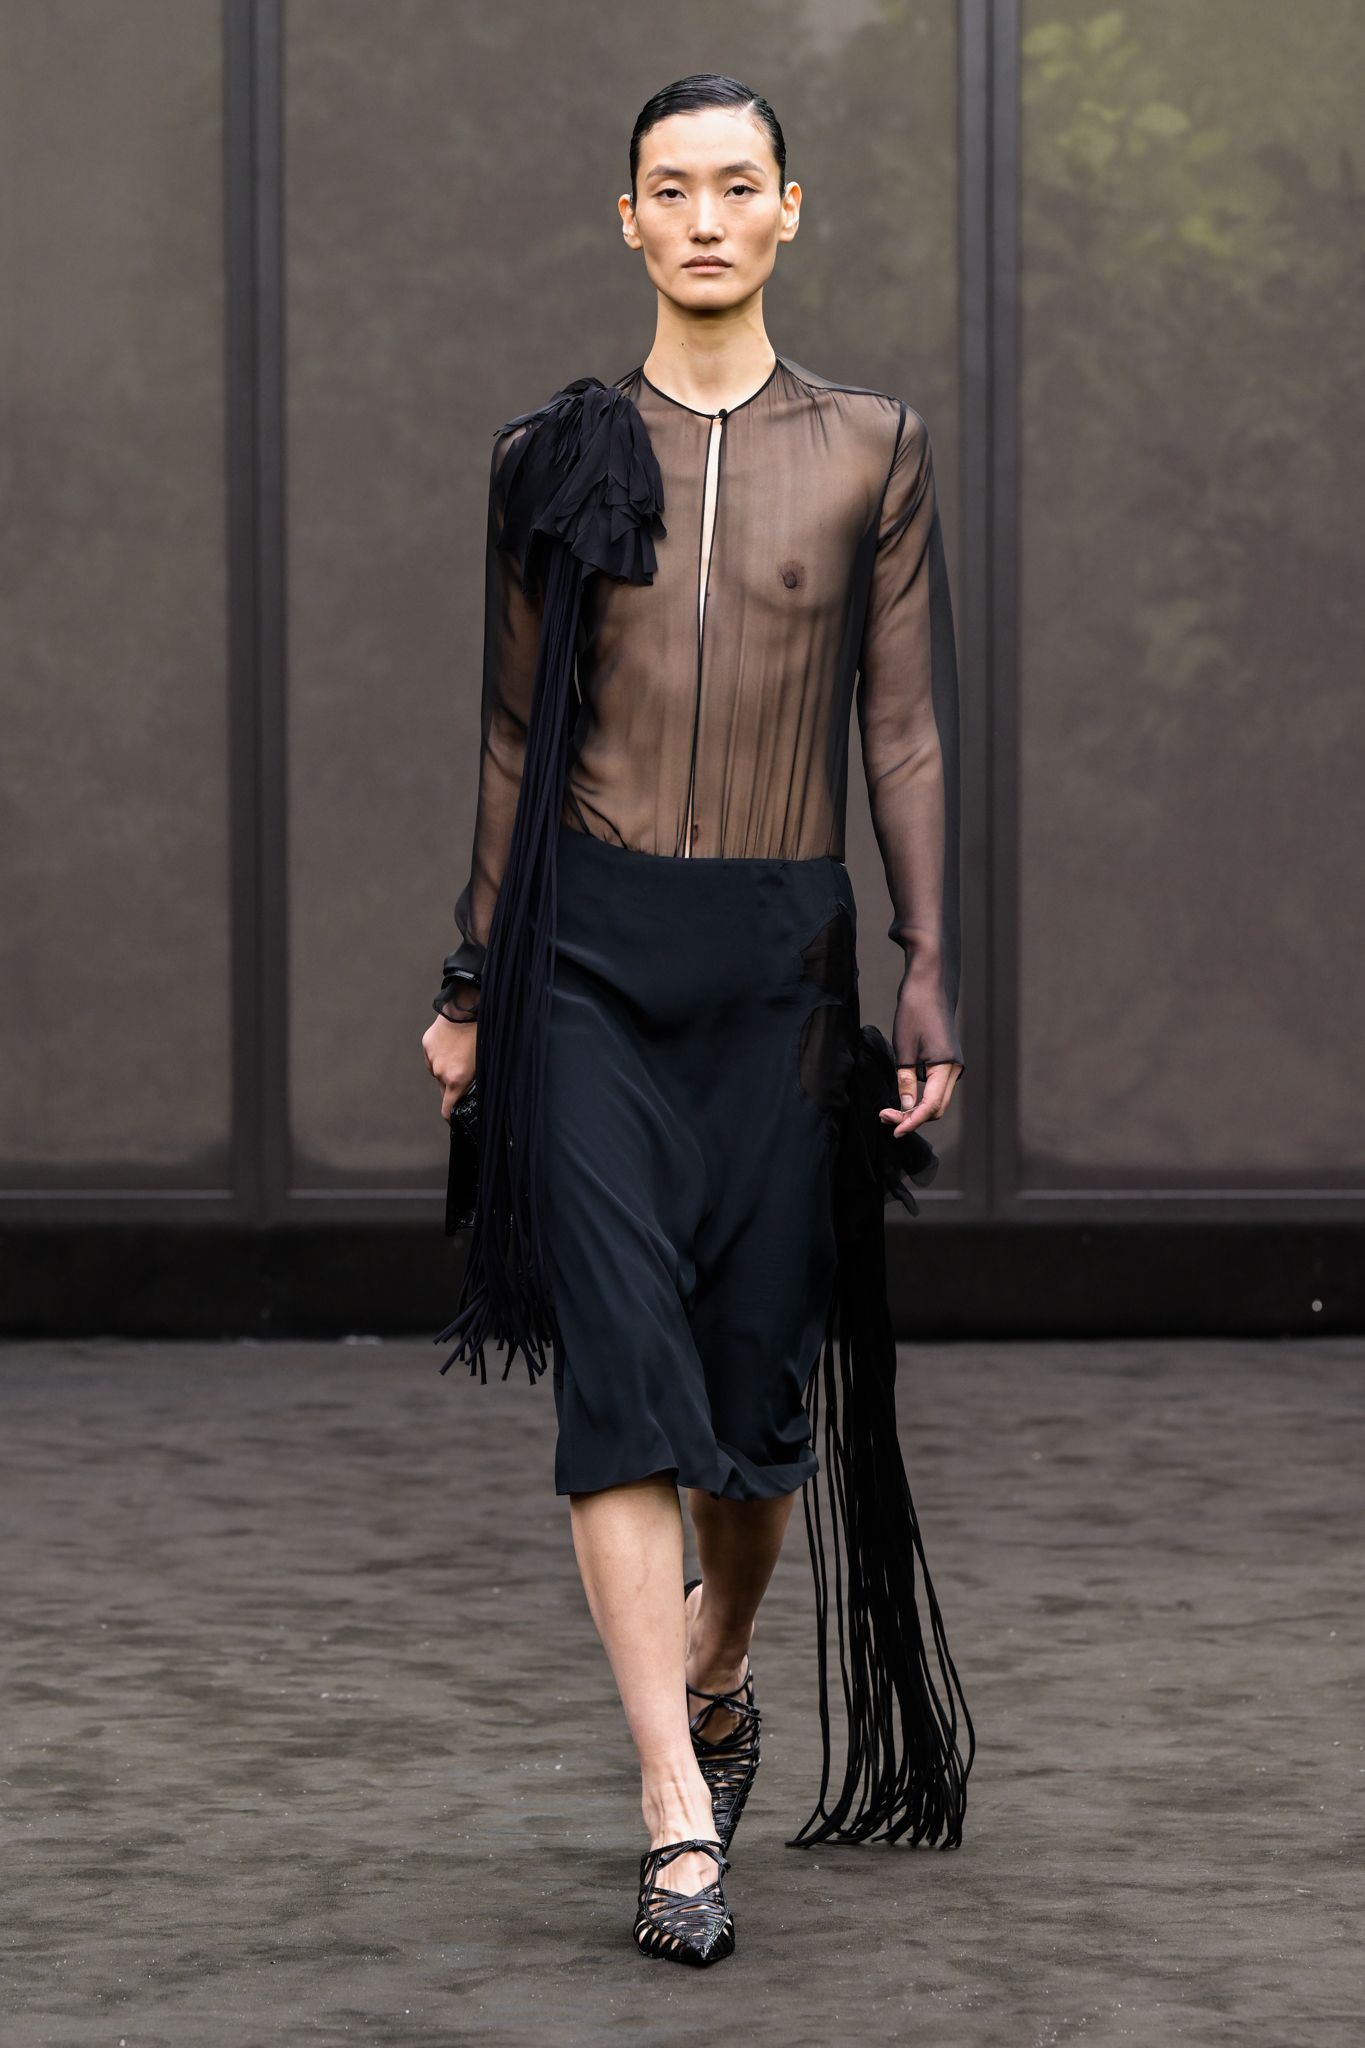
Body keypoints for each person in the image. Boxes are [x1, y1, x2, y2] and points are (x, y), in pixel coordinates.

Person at [421, 73, 971, 1969]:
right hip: (586, 958)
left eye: (740, 185)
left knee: (749, 1410)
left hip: (777, 967)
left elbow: (900, 724)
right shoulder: (553, 455)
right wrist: (473, 979)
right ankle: (674, 1809)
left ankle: (718, 1668)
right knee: (622, 1375)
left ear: (789, 209)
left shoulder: (872, 446)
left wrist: (922, 961)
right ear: (630, 220)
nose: (708, 216)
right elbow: (515, 732)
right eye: (673, 188)